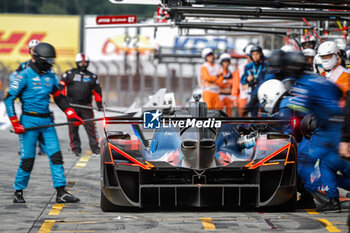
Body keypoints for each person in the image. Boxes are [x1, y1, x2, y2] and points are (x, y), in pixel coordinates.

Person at [4, 42, 83, 203]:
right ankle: (18, 191)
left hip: (46, 121)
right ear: (39, 59)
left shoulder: (50, 75)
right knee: (28, 159)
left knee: (56, 156)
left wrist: (72, 115)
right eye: (49, 60)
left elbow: (59, 97)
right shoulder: (23, 75)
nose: (51, 63)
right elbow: (9, 98)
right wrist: (14, 122)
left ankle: (61, 192)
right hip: (29, 122)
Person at [287, 52, 350, 212]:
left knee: (326, 165)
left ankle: (333, 200)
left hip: (336, 135)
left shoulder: (308, 86)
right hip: (337, 134)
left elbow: (298, 108)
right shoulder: (326, 82)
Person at [59, 53, 103, 156]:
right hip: (72, 106)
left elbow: (97, 91)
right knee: (73, 129)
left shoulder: (92, 76)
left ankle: (95, 149)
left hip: (86, 106)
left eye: (85, 62)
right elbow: (60, 87)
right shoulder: (69, 74)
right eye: (81, 62)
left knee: (91, 128)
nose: (83, 64)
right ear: (77, 62)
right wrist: (62, 100)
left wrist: (99, 104)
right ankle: (76, 149)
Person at [240, 45, 268, 116]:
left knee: (264, 113)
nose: (255, 56)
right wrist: (247, 78)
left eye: (257, 54)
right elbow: (242, 81)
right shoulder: (248, 67)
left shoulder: (266, 66)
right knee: (253, 115)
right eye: (253, 54)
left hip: (264, 94)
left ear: (261, 54)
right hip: (252, 93)